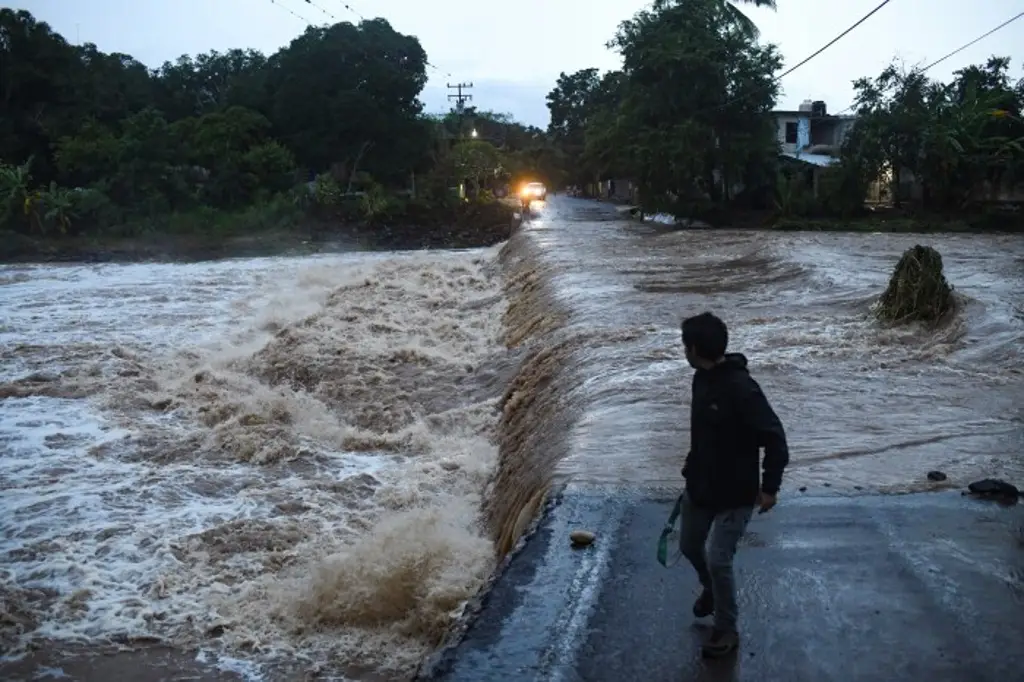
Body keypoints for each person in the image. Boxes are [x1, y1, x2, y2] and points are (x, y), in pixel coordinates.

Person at [678, 312, 789, 658]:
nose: (683, 350)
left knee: (719, 559)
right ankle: (711, 590)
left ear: (695, 348)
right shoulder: (700, 379)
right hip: (701, 486)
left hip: (737, 494)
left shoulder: (743, 389)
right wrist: (691, 468)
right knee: (689, 546)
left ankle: (726, 629)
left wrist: (770, 487)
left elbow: (775, 437)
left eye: (685, 344)